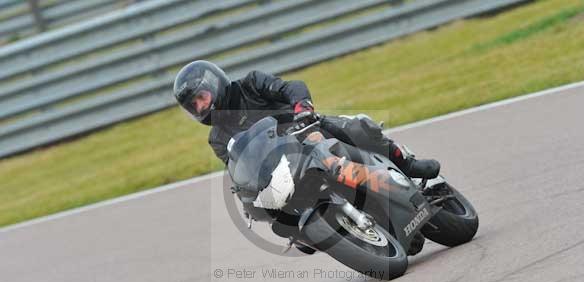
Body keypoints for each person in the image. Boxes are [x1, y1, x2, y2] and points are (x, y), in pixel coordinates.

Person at [173, 60, 440, 179]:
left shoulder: (251, 84)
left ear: (214, 84)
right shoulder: (218, 138)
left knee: (357, 128)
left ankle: (406, 163)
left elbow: (290, 87)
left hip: (308, 130)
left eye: (201, 97)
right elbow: (236, 169)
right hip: (285, 170)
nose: (200, 107)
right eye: (193, 105)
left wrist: (302, 107)